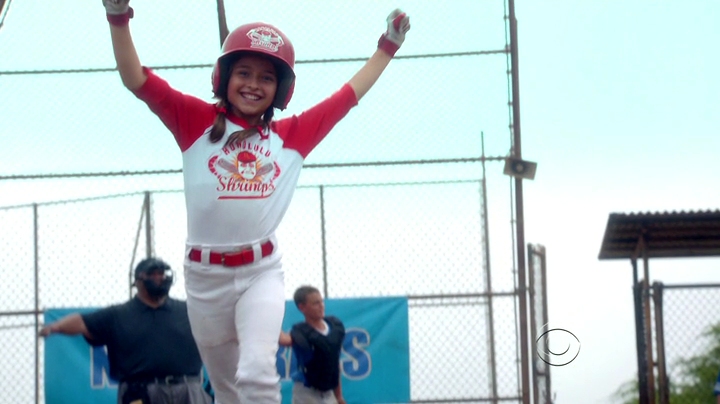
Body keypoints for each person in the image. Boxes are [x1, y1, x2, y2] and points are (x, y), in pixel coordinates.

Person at [100, 1, 410, 403]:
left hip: (260, 273)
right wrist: (118, 17)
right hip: (204, 279)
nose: (253, 84)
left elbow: (347, 97)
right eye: (243, 72)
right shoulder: (194, 121)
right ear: (223, 77)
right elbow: (135, 79)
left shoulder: (292, 136)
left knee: (257, 374)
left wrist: (387, 46)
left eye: (267, 77)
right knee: (227, 390)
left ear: (281, 90)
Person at [39, 258, 212, 404]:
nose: (159, 278)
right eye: (153, 274)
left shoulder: (188, 311)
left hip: (188, 391)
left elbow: (216, 327)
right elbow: (83, 322)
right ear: (138, 280)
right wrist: (56, 327)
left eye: (162, 274)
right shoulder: (119, 315)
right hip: (139, 392)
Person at [279, 286, 346, 404]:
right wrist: (267, 317)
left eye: (321, 301)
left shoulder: (334, 326)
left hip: (328, 391)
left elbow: (333, 365)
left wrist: (339, 397)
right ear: (302, 307)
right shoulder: (301, 332)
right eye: (315, 303)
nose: (321, 306)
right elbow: (284, 340)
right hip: (306, 392)